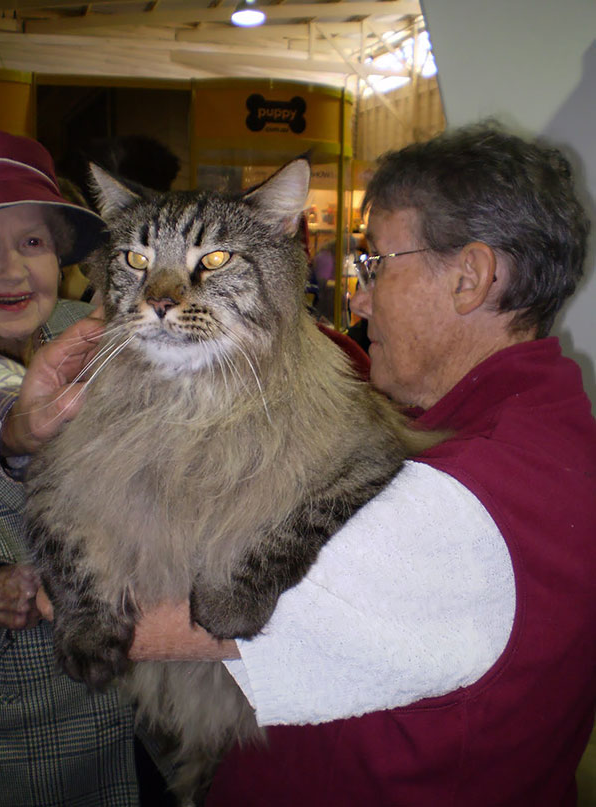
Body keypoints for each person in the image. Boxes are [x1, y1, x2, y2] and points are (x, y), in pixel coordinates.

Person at [33, 123, 596, 806]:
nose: (355, 297)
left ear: (470, 278)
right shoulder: (532, 422)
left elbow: (139, 624)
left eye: (374, 264)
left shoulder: (465, 501)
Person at [0, 128, 146, 806]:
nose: (10, 270)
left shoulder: (83, 331)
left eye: (32, 242)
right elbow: (8, 414)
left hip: (133, 715)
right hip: (27, 737)